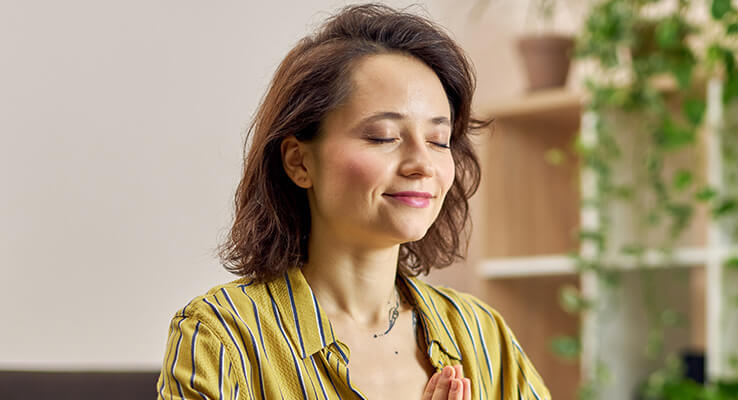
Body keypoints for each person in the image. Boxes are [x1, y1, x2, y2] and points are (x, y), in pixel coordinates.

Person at [156, 4, 551, 399]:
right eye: (382, 136)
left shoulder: (482, 334)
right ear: (299, 161)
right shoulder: (223, 336)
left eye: (438, 141)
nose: (422, 164)